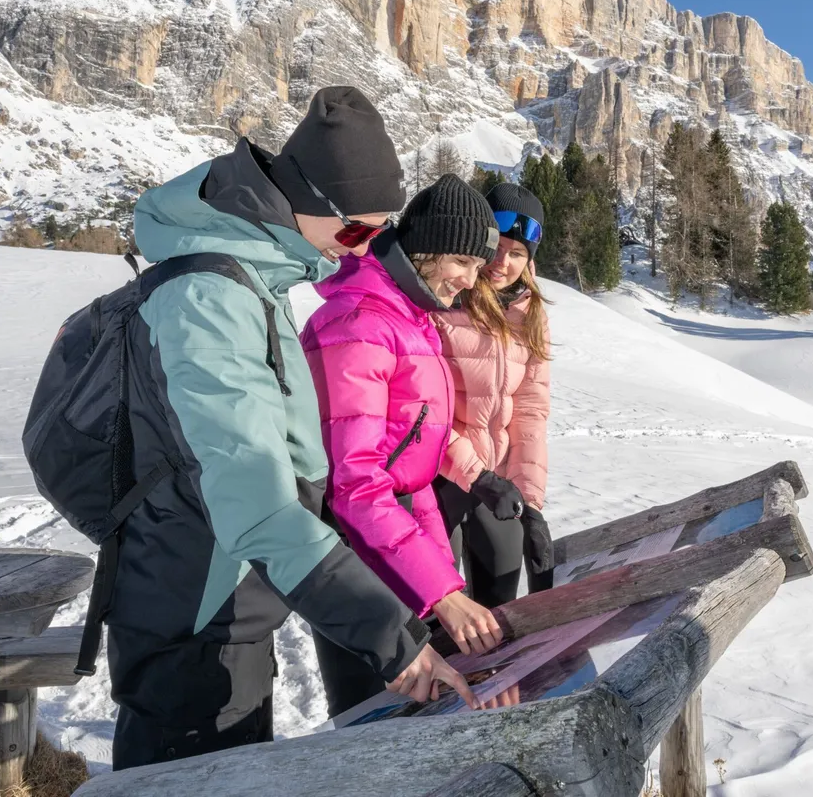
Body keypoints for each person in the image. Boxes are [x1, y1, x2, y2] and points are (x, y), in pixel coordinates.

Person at [108, 87, 475, 770]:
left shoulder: (254, 280)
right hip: (194, 610)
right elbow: (258, 496)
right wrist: (390, 640)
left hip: (232, 602)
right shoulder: (210, 299)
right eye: (358, 232)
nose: (358, 252)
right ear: (313, 201)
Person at [301, 174, 508, 717]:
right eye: (461, 263)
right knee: (371, 721)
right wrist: (441, 594)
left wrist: (442, 581)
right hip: (354, 560)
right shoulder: (360, 325)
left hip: (404, 543)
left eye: (476, 267)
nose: (469, 281)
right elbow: (355, 484)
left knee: (424, 716)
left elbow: (417, 441)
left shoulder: (412, 321)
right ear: (425, 248)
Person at [433, 182, 554, 608]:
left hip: (497, 481)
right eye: (496, 246)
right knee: (439, 617)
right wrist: (473, 474)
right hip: (437, 479)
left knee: (499, 610)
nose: (503, 262)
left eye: (518, 252)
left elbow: (529, 414)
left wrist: (532, 504)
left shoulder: (529, 317)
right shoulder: (443, 300)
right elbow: (421, 411)